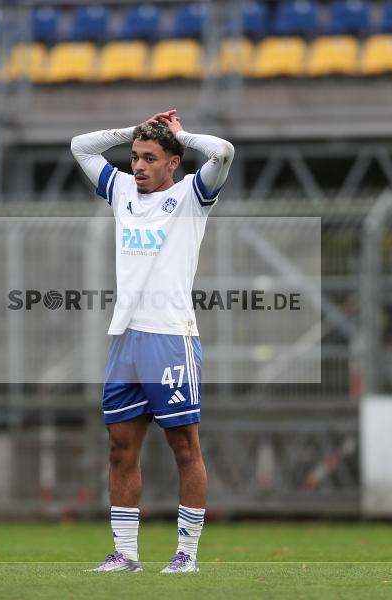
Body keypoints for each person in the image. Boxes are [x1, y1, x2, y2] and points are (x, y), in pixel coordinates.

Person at [70, 110, 234, 573]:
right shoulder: (121, 190)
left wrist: (180, 134)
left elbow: (223, 151)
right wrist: (132, 130)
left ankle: (186, 554)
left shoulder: (192, 196)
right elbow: (80, 146)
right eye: (135, 157)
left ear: (174, 163)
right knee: (120, 448)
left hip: (170, 338)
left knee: (185, 447)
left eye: (149, 157)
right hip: (125, 339)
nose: (137, 166)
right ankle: (125, 554)